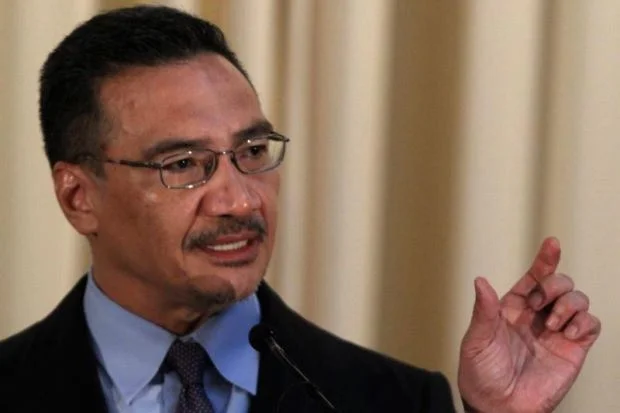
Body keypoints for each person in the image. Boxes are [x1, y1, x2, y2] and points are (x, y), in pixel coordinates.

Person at [0, 5, 601, 413]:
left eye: (252, 151)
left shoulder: (394, 400)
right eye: (182, 163)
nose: (240, 199)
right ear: (79, 197)